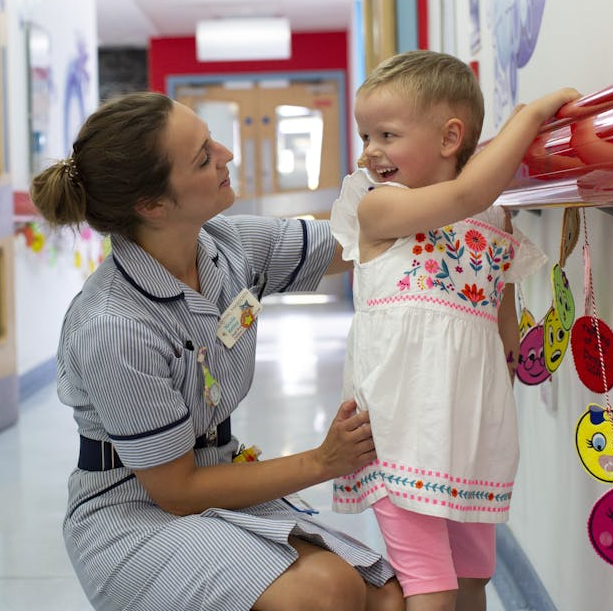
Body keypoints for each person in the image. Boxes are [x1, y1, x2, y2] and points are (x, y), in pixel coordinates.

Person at [31, 92, 405, 611]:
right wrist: (323, 461)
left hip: (217, 475)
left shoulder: (225, 246)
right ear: (153, 206)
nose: (227, 154)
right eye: (204, 156)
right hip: (133, 513)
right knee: (328, 593)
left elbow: (357, 239)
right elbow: (177, 490)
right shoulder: (112, 326)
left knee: (386, 597)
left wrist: (462, 178)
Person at [329, 50, 578, 610]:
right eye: (366, 134)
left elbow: (500, 286)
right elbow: (469, 194)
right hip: (399, 426)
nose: (371, 150)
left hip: (467, 429)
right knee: (431, 588)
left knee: (471, 578)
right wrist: (530, 116)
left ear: (449, 139)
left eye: (387, 134)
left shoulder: (494, 217)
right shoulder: (379, 209)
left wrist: (509, 341)